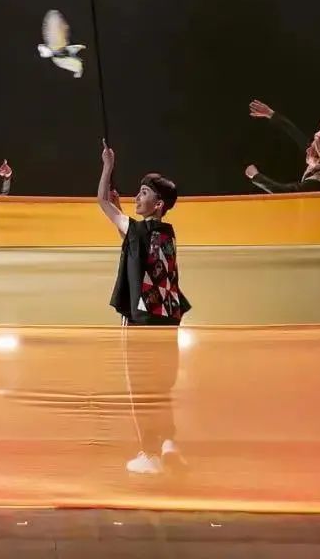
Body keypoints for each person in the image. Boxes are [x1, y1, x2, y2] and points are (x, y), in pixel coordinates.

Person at [97, 141, 191, 474]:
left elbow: (101, 203)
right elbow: (137, 245)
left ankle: (148, 454)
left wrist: (107, 166)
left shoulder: (136, 230)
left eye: (144, 193)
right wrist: (121, 210)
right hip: (168, 321)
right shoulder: (168, 234)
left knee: (139, 388)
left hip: (140, 322)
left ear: (158, 204)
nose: (138, 197)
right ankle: (169, 443)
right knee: (162, 386)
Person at [245, 99, 320, 192]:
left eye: (312, 150)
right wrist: (270, 113)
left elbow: (285, 192)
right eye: (311, 145)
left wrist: (256, 176)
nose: (307, 149)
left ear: (319, 161)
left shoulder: (317, 183)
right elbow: (295, 133)